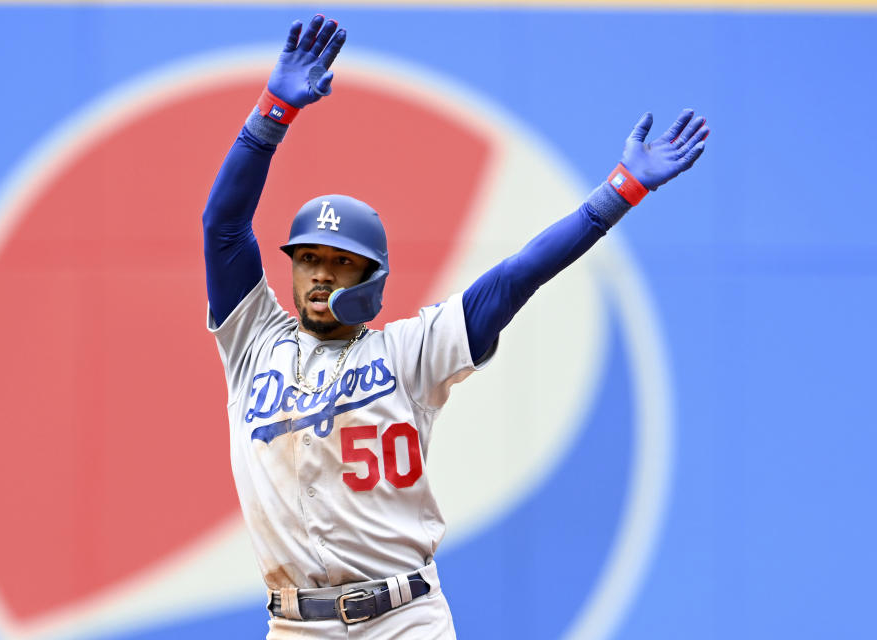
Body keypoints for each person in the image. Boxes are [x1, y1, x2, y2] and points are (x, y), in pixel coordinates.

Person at [202, 14, 708, 640]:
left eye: (340, 262)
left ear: (371, 278)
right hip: (295, 625)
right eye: (308, 258)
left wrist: (618, 192)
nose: (321, 274)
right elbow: (223, 225)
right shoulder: (251, 340)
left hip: (404, 620)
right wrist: (272, 111)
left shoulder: (411, 351)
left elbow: (515, 277)